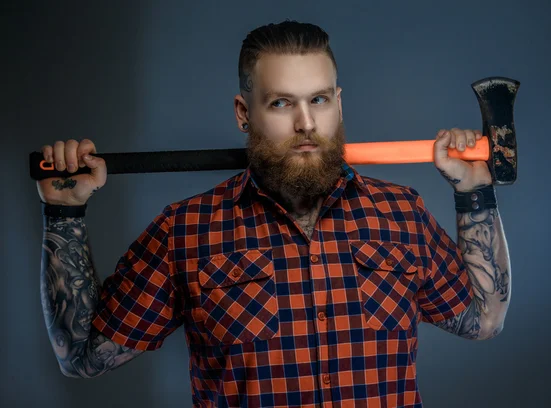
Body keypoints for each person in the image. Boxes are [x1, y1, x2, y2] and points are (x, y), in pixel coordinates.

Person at [38, 20, 511, 408]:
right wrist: (64, 214)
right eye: (282, 102)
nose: (306, 123)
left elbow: (483, 321)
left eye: (319, 100)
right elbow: (82, 356)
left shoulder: (401, 214)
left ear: (338, 103)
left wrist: (474, 195)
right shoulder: (185, 231)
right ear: (244, 113)